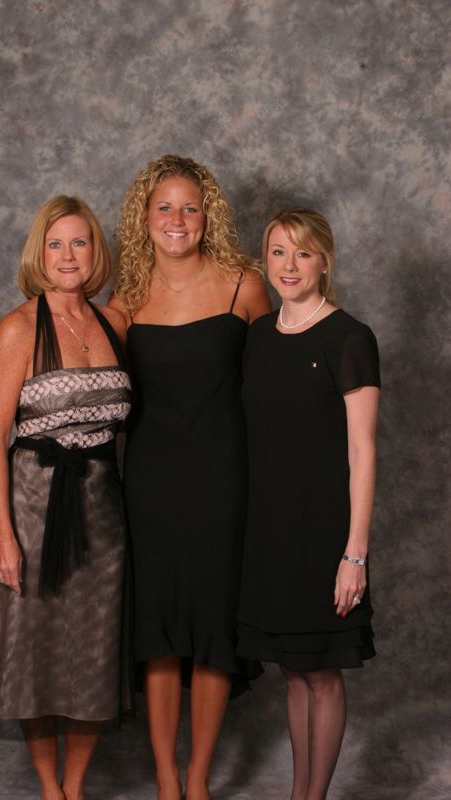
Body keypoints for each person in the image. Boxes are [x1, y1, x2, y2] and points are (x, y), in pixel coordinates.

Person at [0, 195, 133, 800]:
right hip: (33, 508)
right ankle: (49, 789)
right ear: (40, 253)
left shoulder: (116, 322)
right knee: (33, 649)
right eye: (56, 244)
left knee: (94, 651)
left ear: (96, 251)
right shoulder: (17, 327)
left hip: (102, 511)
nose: (69, 256)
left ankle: (77, 786)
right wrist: (5, 538)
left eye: (80, 242)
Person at [110, 154, 271, 800]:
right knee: (158, 633)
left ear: (208, 217)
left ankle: (199, 780)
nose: (177, 220)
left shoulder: (245, 286)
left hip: (223, 482)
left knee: (210, 627)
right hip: (148, 485)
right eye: (164, 208)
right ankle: (168, 782)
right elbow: (88, 383)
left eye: (190, 208)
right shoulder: (123, 302)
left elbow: (278, 384)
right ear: (144, 219)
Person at [237, 207, 380, 800]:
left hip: (325, 535)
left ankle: (312, 798)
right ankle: (300, 793)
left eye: (302, 253)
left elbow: (363, 453)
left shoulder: (350, 338)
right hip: (270, 531)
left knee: (321, 671)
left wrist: (355, 555)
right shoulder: (256, 338)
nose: (288, 266)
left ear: (324, 260)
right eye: (277, 252)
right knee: (293, 670)